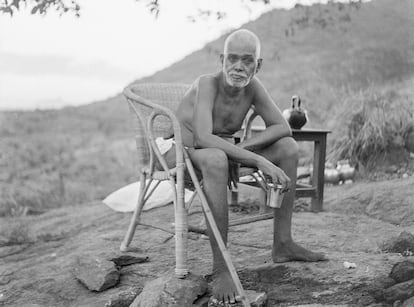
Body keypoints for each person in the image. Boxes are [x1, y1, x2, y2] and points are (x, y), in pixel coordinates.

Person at [162, 29, 326, 306]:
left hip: (216, 152)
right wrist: (257, 160)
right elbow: (202, 137)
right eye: (233, 59)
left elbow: (282, 127)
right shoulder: (207, 83)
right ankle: (221, 268)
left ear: (257, 65)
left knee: (288, 147)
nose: (239, 66)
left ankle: (283, 243)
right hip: (179, 153)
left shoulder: (254, 87)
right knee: (216, 157)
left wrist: (242, 153)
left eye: (247, 61)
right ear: (222, 60)